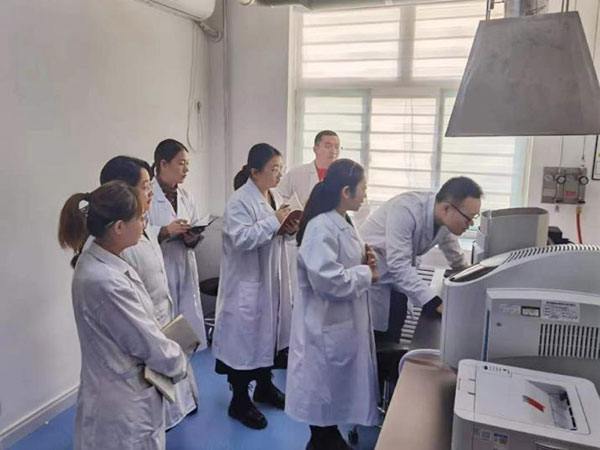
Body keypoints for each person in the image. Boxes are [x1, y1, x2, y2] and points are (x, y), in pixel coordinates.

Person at [58, 181, 187, 450]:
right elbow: (145, 342)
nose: (144, 224)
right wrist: (178, 360)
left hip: (116, 388)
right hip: (123, 403)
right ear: (118, 227)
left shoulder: (98, 256)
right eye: (139, 219)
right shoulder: (106, 281)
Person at [99, 156, 199, 429]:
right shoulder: (118, 242)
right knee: (151, 403)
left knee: (168, 392)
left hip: (160, 325)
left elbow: (151, 235)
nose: (151, 193)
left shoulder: (140, 228)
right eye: (145, 187)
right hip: (143, 336)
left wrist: (166, 231)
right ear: (122, 192)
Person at [285, 159, 378, 450]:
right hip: (324, 328)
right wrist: (366, 273)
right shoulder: (320, 228)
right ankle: (322, 441)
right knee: (323, 396)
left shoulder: (343, 220)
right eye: (363, 188)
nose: (366, 194)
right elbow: (328, 281)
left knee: (333, 396)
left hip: (338, 324)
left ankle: (327, 438)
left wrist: (365, 260)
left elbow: (343, 263)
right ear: (346, 191)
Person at [212, 143, 298, 430]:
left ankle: (264, 386)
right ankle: (239, 400)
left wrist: (288, 229)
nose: (279, 174)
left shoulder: (274, 196)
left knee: (267, 338)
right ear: (255, 172)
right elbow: (242, 238)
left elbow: (275, 234)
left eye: (281, 168)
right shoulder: (239, 201)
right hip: (246, 285)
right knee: (244, 343)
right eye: (274, 169)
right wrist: (275, 221)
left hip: (270, 281)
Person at [359, 176, 483, 339]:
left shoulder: (443, 220)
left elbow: (456, 257)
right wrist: (436, 303)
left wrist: (476, 283)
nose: (470, 224)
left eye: (474, 218)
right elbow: (399, 265)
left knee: (394, 329)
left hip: (397, 280)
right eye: (468, 218)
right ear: (447, 208)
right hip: (375, 277)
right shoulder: (406, 209)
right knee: (377, 340)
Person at [147, 139, 207, 347]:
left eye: (187, 163)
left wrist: (192, 237)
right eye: (181, 163)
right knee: (163, 327)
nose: (186, 169)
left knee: (187, 323)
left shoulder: (186, 196)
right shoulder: (147, 196)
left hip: (184, 262)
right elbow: (139, 234)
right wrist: (165, 231)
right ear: (163, 164)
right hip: (160, 266)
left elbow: (195, 224)